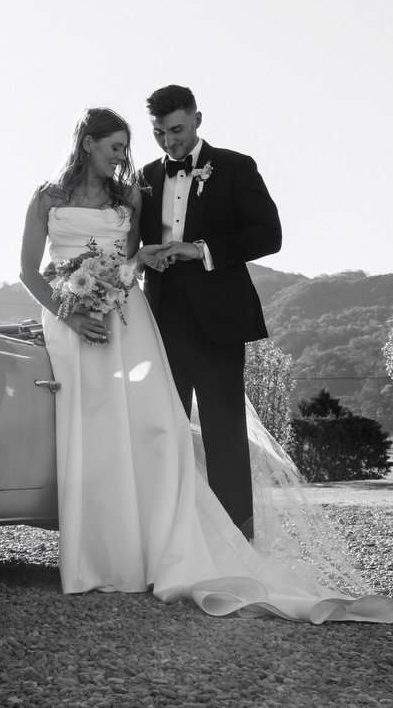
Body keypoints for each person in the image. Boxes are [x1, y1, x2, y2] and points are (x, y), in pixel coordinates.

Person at [19, 107, 393, 622]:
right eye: (120, 145)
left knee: (177, 432)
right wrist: (72, 307)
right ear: (87, 143)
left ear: (195, 120)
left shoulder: (156, 187)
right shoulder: (83, 192)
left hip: (151, 320)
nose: (131, 154)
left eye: (156, 136)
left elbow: (144, 259)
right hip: (86, 320)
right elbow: (32, 267)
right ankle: (98, 554)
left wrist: (173, 258)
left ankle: (207, 544)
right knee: (96, 431)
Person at [138, 84, 278, 538]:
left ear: (198, 119)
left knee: (225, 435)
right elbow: (138, 241)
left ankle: (237, 539)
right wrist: (151, 255)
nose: (169, 142)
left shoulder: (237, 167)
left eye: (176, 130)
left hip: (219, 321)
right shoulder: (145, 176)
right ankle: (171, 536)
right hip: (159, 321)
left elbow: (268, 235)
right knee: (165, 431)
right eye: (159, 133)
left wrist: (200, 250)